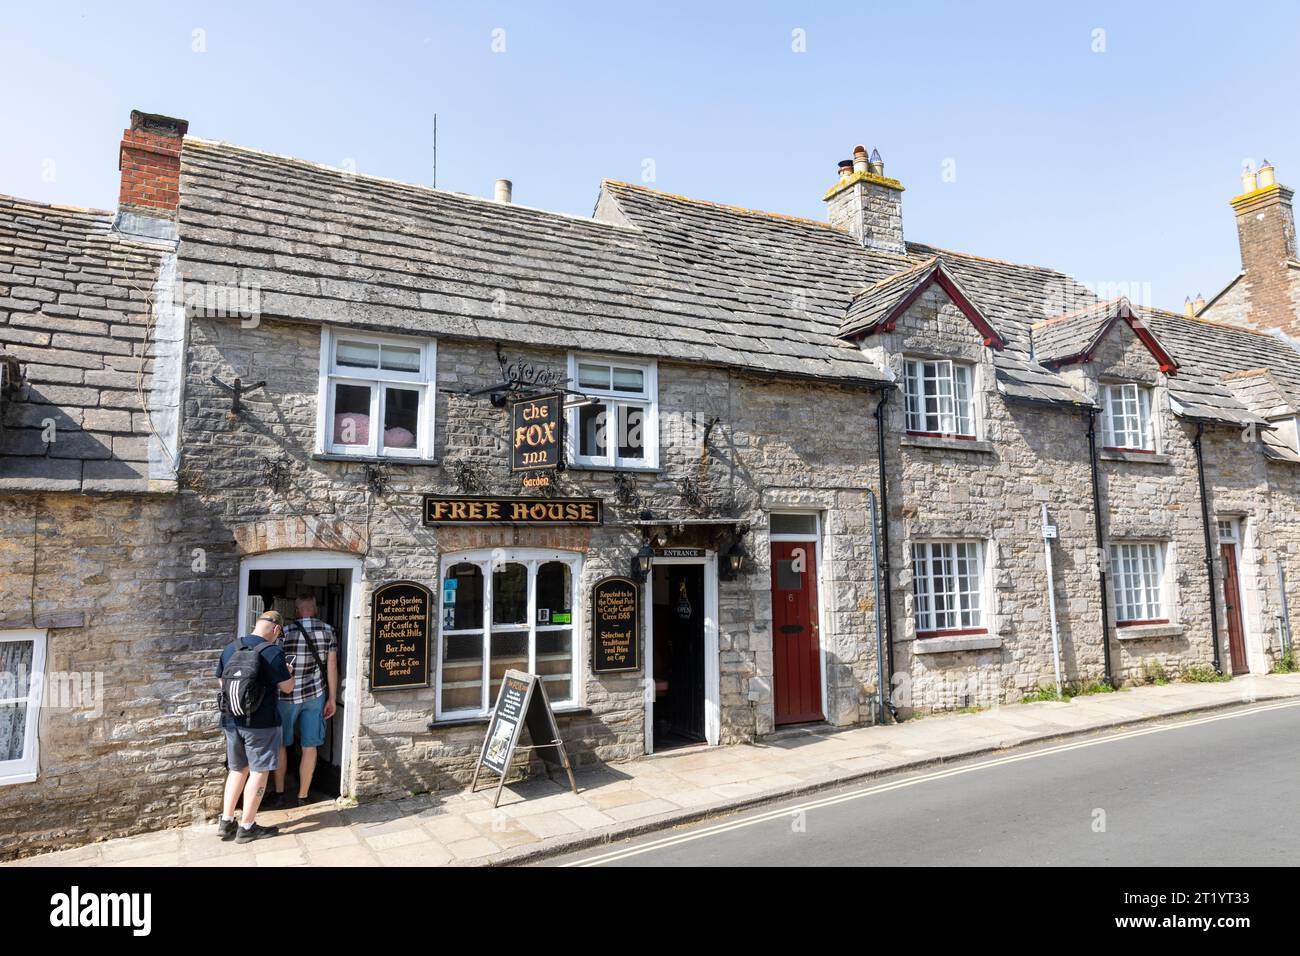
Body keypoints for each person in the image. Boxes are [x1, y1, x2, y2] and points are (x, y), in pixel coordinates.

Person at [215, 611, 294, 843]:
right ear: (276, 629)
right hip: (261, 723)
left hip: (231, 719)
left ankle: (226, 822)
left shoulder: (231, 647)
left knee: (237, 769)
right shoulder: (272, 652)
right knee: (259, 771)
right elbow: (287, 688)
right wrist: (288, 673)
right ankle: (247, 826)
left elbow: (222, 682)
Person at [267, 595, 338, 809]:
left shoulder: (286, 632)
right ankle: (303, 794)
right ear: (315, 609)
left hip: (287, 696)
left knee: (281, 744)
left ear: (297, 611)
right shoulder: (328, 630)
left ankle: (279, 793)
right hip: (316, 695)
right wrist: (333, 698)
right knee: (310, 746)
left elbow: (276, 664)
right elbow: (332, 666)